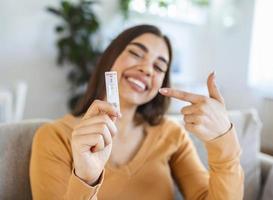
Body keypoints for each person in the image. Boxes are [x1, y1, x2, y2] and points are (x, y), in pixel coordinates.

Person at [30, 24, 244, 200]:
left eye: (159, 68)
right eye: (135, 53)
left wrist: (223, 141)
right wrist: (86, 179)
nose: (147, 69)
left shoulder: (171, 134)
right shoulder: (54, 136)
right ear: (110, 57)